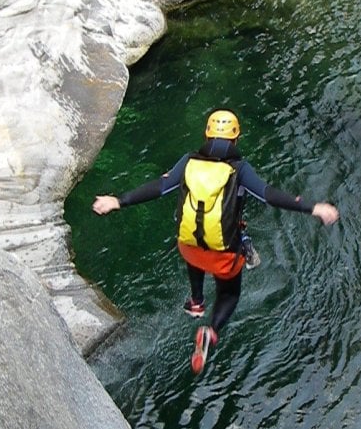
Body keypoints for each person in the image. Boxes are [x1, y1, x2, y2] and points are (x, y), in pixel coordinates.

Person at [92, 109, 339, 374]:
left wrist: (118, 201)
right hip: (224, 255)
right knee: (229, 294)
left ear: (206, 135)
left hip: (188, 248)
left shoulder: (187, 162)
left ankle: (196, 302)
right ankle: (211, 330)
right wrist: (313, 208)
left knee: (195, 249)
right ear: (236, 139)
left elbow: (158, 187)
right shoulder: (239, 170)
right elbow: (269, 195)